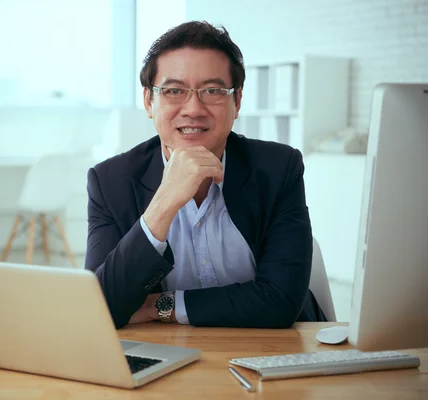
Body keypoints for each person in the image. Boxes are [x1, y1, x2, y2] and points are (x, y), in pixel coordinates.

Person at [85, 21, 326, 328]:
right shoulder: (110, 181)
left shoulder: (279, 168)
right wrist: (165, 201)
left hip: (277, 352)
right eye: (174, 91)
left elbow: (280, 301)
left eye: (212, 91)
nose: (193, 108)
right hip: (167, 354)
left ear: (236, 101)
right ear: (149, 101)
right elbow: (98, 307)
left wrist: (161, 306)